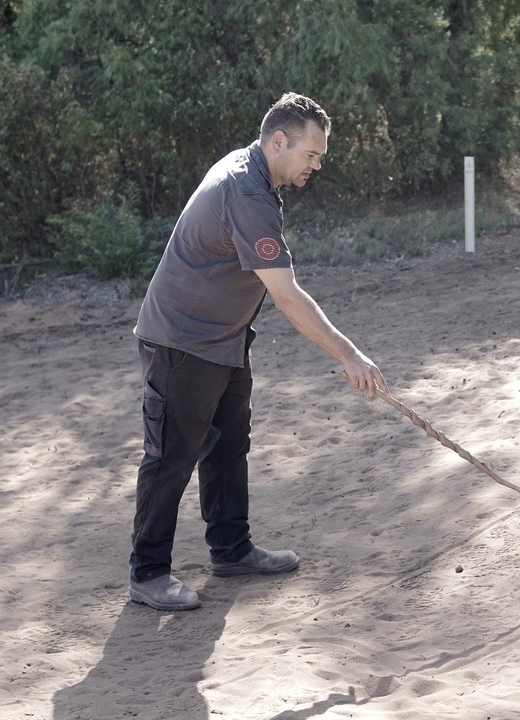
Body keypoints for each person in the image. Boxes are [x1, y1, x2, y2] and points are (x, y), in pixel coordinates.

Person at [128, 92, 387, 612]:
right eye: (311, 155)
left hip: (223, 339)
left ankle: (231, 550)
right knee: (170, 457)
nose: (316, 165)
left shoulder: (255, 171)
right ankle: (148, 573)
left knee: (228, 446)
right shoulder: (246, 193)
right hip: (182, 340)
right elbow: (287, 295)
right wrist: (350, 355)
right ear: (278, 141)